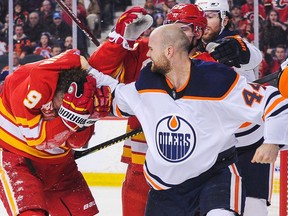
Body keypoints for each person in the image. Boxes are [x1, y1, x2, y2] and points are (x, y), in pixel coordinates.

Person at [91, 24, 288, 216]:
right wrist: (85, 70)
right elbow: (116, 93)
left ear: (169, 51)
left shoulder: (217, 80)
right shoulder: (147, 82)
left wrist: (272, 141)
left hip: (214, 177)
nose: (148, 54)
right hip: (165, 187)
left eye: (151, 49)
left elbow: (274, 102)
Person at [0, 49, 111, 216]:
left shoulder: (83, 94)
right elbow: (37, 139)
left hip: (60, 166)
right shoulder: (23, 85)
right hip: (16, 159)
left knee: (82, 213)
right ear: (55, 90)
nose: (61, 112)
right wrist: (72, 121)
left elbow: (76, 143)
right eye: (61, 107)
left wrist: (87, 121)